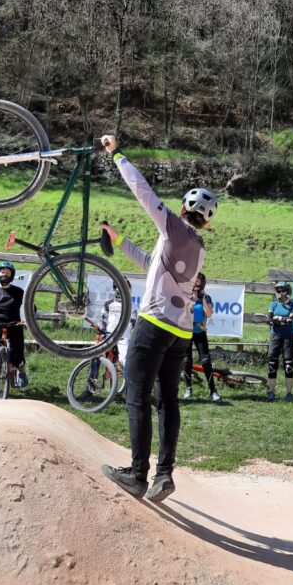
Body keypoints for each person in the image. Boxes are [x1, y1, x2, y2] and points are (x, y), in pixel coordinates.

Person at [99, 133, 217, 503]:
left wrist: (116, 154)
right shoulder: (198, 247)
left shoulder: (172, 227)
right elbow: (152, 265)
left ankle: (137, 475)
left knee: (137, 396)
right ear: (205, 223)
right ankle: (164, 475)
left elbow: (143, 191)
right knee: (168, 400)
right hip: (180, 333)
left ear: (182, 209)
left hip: (153, 325)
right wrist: (119, 241)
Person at [183, 272, 221, 403]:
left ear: (202, 283)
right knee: (186, 360)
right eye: (194, 280)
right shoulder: (185, 296)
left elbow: (209, 314)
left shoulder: (206, 297)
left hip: (200, 331)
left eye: (198, 281)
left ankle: (213, 391)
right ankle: (188, 388)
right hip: (187, 331)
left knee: (205, 360)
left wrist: (203, 300)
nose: (195, 283)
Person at [267, 280, 293, 402]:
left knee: (288, 365)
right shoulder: (273, 304)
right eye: (278, 291)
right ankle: (271, 392)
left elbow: (291, 319)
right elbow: (269, 319)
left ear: (288, 292)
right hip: (275, 336)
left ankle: (289, 393)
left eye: (283, 290)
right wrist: (283, 320)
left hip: (288, 337)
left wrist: (277, 318)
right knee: (272, 365)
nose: (280, 293)